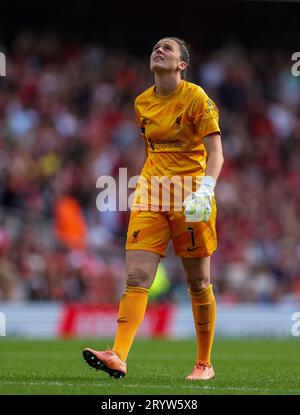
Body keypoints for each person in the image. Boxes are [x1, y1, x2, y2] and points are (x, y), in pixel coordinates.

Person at [83, 37, 224, 381]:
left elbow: (216, 151)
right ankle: (117, 354)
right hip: (151, 194)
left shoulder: (196, 98)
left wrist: (206, 188)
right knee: (136, 277)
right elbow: (154, 151)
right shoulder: (142, 102)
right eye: (156, 47)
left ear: (181, 65)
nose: (158, 50)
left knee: (198, 281)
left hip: (191, 196)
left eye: (167, 49)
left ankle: (204, 364)